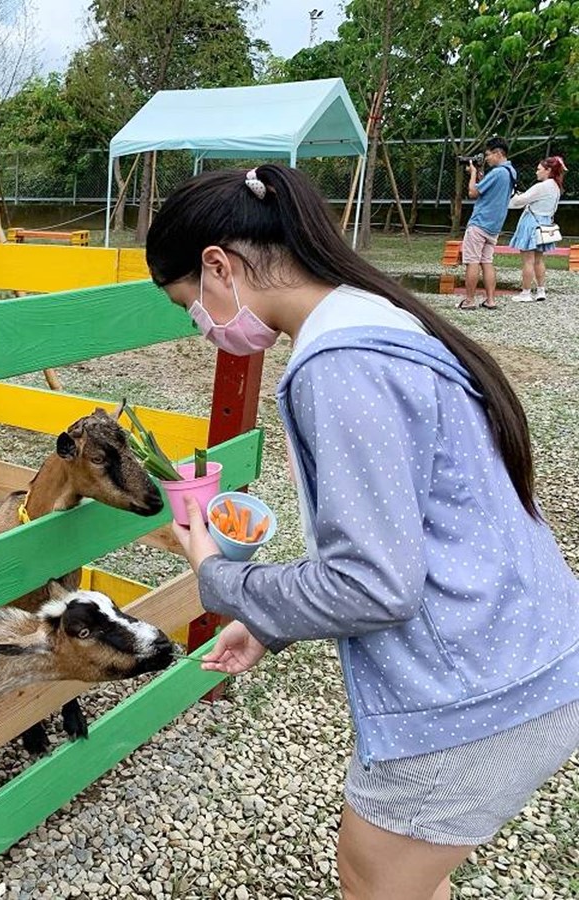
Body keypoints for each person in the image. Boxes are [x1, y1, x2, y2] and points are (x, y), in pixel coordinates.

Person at [146, 164, 579, 900]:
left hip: (472, 695)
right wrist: (269, 623)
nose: (206, 327)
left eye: (193, 306)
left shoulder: (340, 365)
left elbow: (373, 585)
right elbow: (399, 541)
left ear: (219, 266)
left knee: (374, 879)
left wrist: (218, 578)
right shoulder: (373, 318)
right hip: (528, 652)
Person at [460, 137, 516, 310]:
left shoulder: (498, 172)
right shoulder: (510, 172)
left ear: (498, 153)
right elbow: (489, 189)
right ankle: (491, 300)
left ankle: (469, 300)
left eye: (488, 155)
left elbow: (473, 192)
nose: (487, 159)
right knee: (487, 262)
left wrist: (473, 174)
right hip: (494, 226)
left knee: (472, 261)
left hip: (480, 223)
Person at [507, 156, 567, 302]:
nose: (536, 172)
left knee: (528, 260)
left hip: (531, 224)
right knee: (539, 260)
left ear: (548, 170)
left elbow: (520, 201)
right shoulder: (556, 187)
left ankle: (526, 293)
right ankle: (541, 291)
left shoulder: (541, 186)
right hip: (544, 224)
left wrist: (511, 197)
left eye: (539, 169)